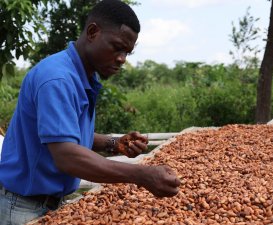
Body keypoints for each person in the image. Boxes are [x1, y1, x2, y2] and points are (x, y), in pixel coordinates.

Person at [0, 0, 181, 224]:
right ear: (93, 32)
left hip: (50, 203)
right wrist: (141, 175)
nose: (122, 59)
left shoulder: (84, 75)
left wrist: (113, 144)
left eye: (127, 52)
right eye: (117, 47)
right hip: (24, 207)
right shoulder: (57, 79)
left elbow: (63, 134)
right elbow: (67, 156)